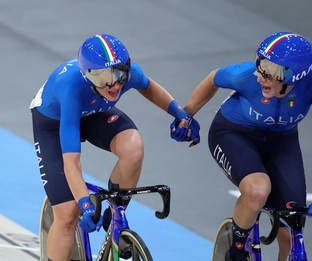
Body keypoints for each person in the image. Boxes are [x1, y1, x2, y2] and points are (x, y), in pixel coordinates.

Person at [170, 32, 312, 261]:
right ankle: (236, 249)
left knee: (292, 233)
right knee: (258, 191)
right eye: (260, 65)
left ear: (293, 77)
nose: (259, 76)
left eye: (269, 72)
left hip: (282, 143)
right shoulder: (246, 75)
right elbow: (213, 78)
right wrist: (186, 118)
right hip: (233, 133)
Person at [30, 34, 197, 261]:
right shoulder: (71, 88)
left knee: (134, 148)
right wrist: (84, 203)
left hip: (93, 111)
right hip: (55, 121)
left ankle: (115, 214)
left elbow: (148, 87)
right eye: (102, 78)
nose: (114, 84)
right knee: (68, 214)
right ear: (87, 76)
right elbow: (71, 161)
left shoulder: (126, 76)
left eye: (118, 74)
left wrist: (180, 114)